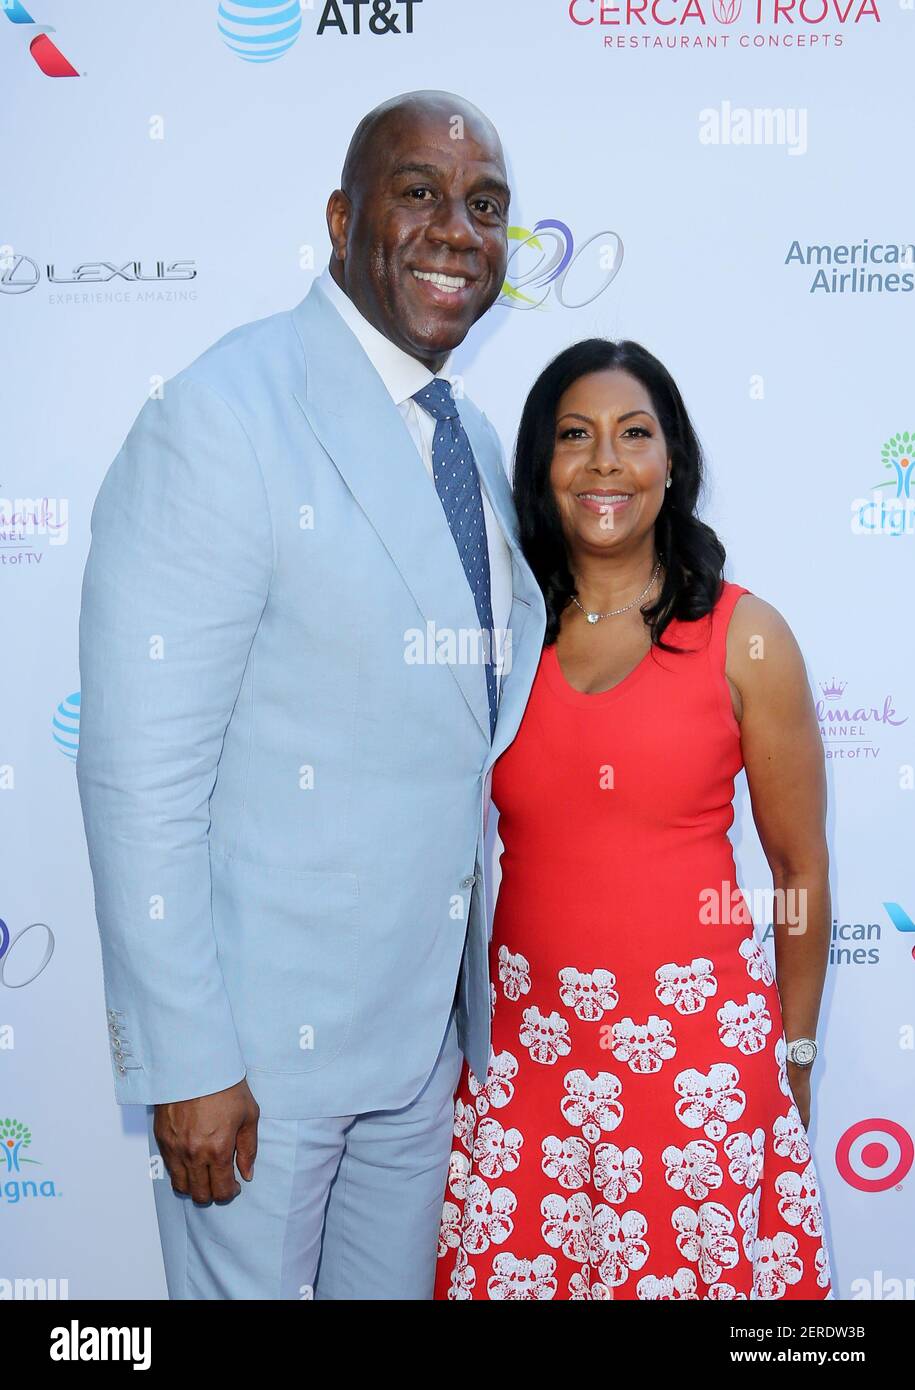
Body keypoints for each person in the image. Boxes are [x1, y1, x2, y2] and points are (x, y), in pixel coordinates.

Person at [75, 90, 546, 1301]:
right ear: (341, 218)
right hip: (253, 1071)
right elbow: (140, 771)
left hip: (422, 1044)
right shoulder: (224, 415)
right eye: (419, 193)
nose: (457, 229)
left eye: (484, 206)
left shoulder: (475, 441)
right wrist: (186, 1061)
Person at [434, 338, 833, 1301]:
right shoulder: (491, 640)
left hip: (697, 1074)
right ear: (540, 468)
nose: (604, 461)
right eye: (574, 436)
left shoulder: (744, 635)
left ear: (672, 463)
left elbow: (797, 874)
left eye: (633, 434)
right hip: (522, 1066)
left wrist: (795, 1056)